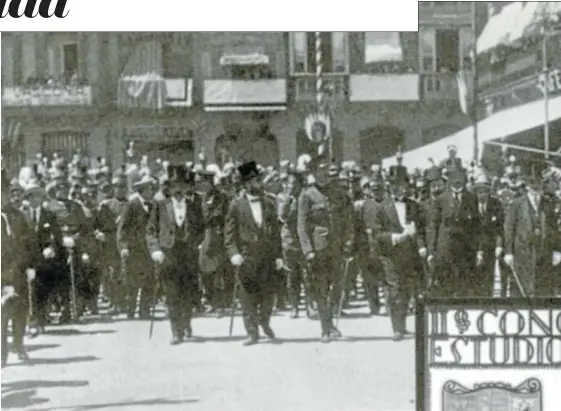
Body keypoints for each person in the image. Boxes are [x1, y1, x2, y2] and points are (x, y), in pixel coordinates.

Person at [224, 161, 283, 346]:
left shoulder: (268, 202)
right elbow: (229, 233)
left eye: (259, 179)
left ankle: (264, 322)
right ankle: (252, 333)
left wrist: (279, 255)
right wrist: (233, 252)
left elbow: (275, 232)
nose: (260, 183)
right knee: (248, 296)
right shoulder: (236, 204)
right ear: (247, 183)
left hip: (266, 256)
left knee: (268, 295)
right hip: (246, 257)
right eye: (256, 180)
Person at [146, 165, 204, 345]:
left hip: (188, 255)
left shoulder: (194, 205)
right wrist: (155, 249)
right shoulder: (161, 205)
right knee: (172, 293)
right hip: (168, 254)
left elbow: (202, 228)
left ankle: (186, 323)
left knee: (188, 292)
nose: (178, 189)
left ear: (187, 187)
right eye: (174, 186)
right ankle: (176, 331)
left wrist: (197, 243)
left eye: (181, 185)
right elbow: (151, 229)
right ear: (169, 188)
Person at [363, 172, 422, 341]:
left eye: (403, 186)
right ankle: (397, 328)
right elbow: (376, 232)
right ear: (390, 187)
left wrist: (419, 241)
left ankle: (402, 324)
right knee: (395, 289)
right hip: (390, 254)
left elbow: (422, 227)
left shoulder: (413, 205)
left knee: (407, 290)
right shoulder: (381, 206)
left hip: (410, 254)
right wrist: (396, 238)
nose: (400, 189)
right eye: (396, 186)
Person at [297, 162, 351, 343]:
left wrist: (348, 242)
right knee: (321, 289)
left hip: (336, 247)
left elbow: (347, 221)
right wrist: (307, 250)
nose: (325, 174)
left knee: (337, 287)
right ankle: (325, 328)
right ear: (314, 173)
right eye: (320, 171)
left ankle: (330, 323)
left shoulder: (338, 194)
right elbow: (302, 225)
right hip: (318, 249)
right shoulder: (307, 195)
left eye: (326, 171)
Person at [504, 170, 561, 297]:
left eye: (539, 183)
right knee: (522, 290)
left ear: (542, 184)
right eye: (532, 183)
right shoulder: (517, 204)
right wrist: (508, 252)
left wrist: (557, 250)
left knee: (543, 289)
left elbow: (554, 229)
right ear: (527, 185)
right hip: (522, 253)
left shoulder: (548, 204)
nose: (536, 186)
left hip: (543, 253)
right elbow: (509, 229)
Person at [427, 168, 480, 297]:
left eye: (460, 179)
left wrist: (479, 250)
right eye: (454, 179)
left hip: (465, 249)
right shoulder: (440, 199)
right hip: (445, 248)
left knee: (464, 284)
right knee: (446, 283)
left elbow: (476, 226)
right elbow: (433, 226)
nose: (457, 182)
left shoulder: (471, 198)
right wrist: (431, 251)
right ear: (449, 181)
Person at [1, 170, 35, 366]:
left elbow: (28, 244)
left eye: (3, 192)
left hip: (17, 271)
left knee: (18, 312)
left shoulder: (18, 217)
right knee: (1, 317)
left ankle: (19, 345)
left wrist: (29, 266)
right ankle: (2, 354)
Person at [117, 174, 157, 319]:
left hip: (149, 249)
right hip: (133, 250)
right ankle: (131, 309)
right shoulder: (131, 205)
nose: (151, 191)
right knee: (132, 281)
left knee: (149, 280)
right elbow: (123, 228)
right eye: (148, 189)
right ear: (141, 190)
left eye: (152, 189)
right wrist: (123, 247)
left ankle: (144, 310)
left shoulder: (153, 206)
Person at [472, 171, 505, 297]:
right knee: (474, 279)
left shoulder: (496, 204)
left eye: (485, 191)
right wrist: (476, 250)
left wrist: (499, 245)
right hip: (473, 248)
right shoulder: (470, 205)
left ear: (489, 191)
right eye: (479, 191)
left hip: (490, 247)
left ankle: (487, 302)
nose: (482, 194)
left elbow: (500, 227)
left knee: (488, 278)